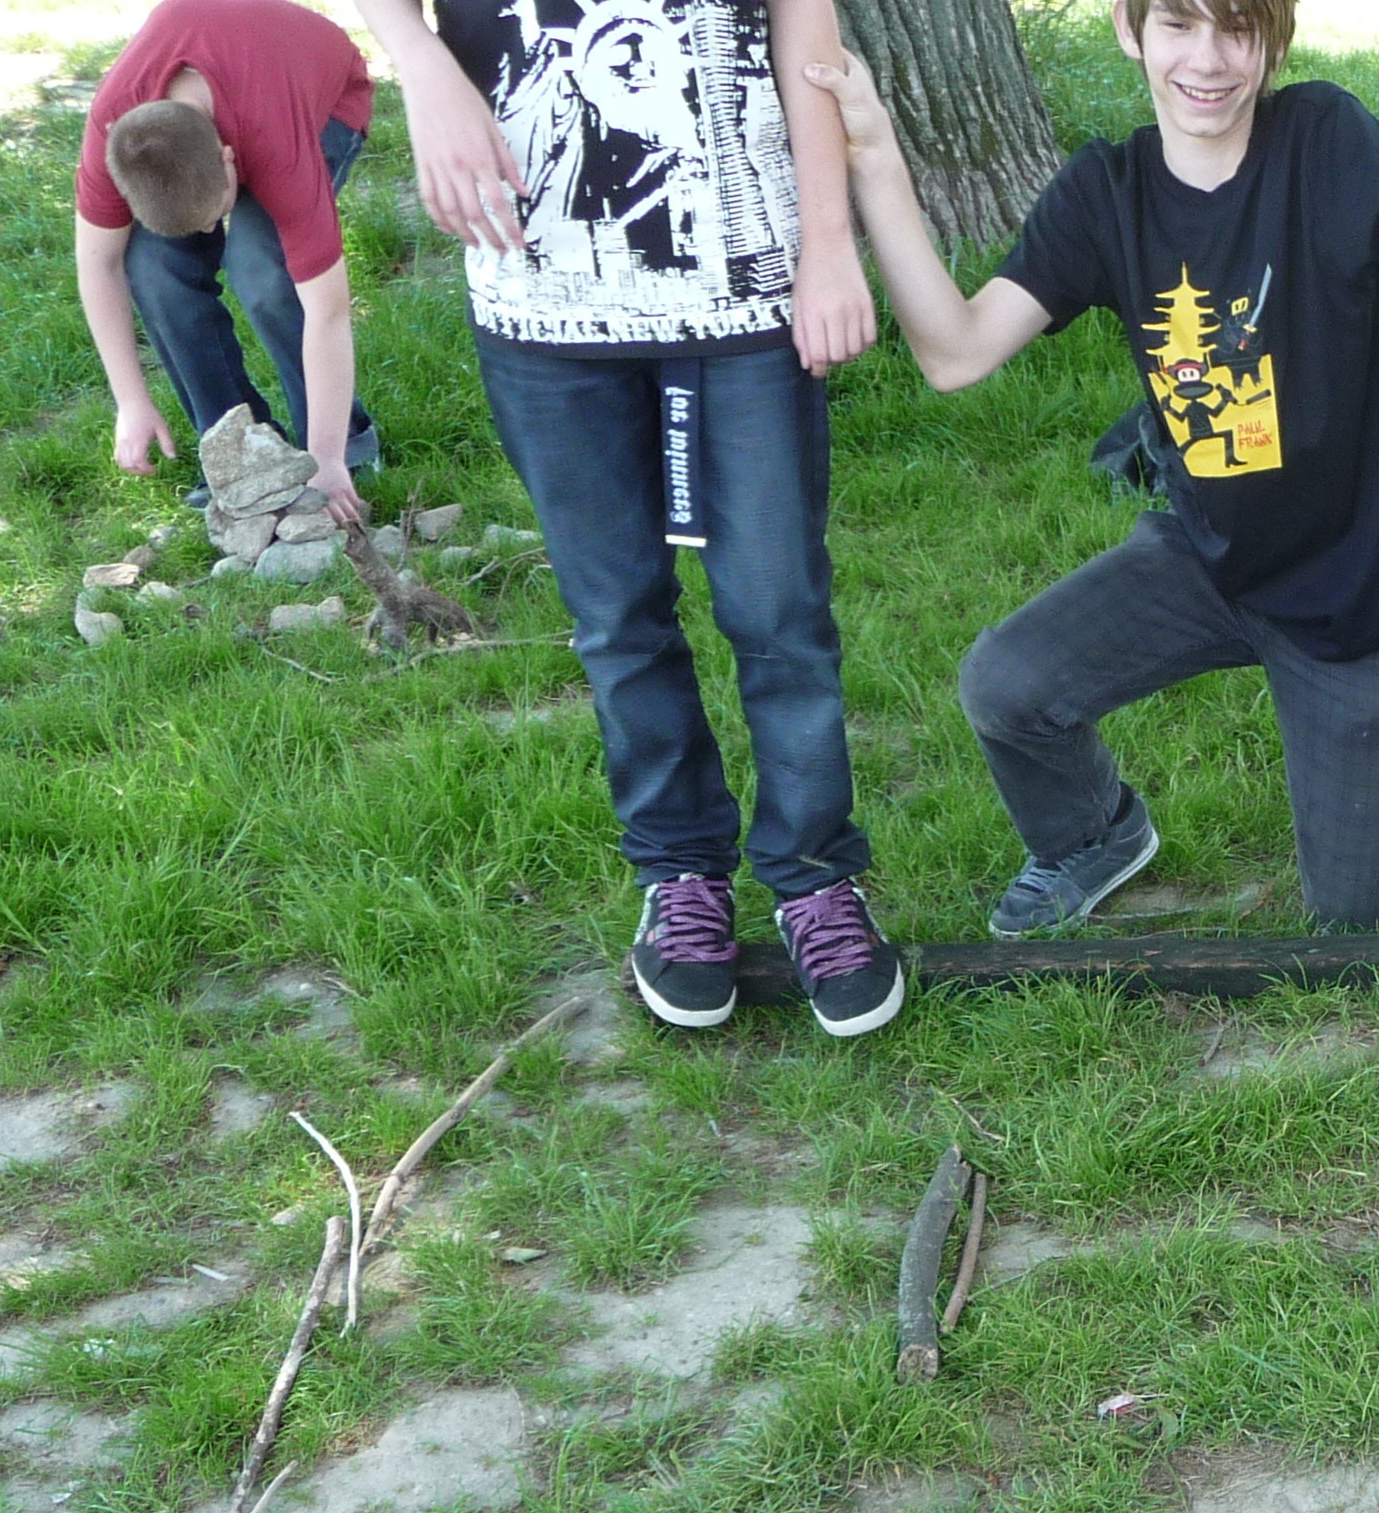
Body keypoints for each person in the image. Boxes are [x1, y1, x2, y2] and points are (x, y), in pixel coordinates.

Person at [809, 0, 1379, 941]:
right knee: (1005, 686)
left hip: (1345, 589)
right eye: (1178, 24)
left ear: (1273, 39)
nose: (1208, 59)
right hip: (1205, 558)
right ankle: (1095, 835)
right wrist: (877, 159)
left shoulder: (1324, 141)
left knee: (1356, 910)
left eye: (1237, 29)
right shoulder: (1108, 192)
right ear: (1130, 30)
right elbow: (954, 354)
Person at [344, 0, 903, 1038]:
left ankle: (815, 875)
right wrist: (417, 60)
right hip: (541, 300)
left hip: (745, 295)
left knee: (778, 611)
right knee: (617, 619)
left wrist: (830, 243)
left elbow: (806, 30)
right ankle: (680, 871)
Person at [71, 0, 383, 521]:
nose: (208, 235)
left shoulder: (278, 144)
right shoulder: (114, 131)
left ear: (229, 157)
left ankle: (343, 443)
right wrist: (131, 401)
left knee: (262, 268)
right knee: (151, 267)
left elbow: (328, 310)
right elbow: (98, 264)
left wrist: (326, 459)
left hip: (322, 95)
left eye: (214, 215)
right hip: (230, 89)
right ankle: (237, 454)